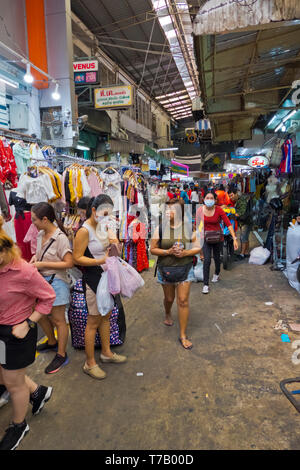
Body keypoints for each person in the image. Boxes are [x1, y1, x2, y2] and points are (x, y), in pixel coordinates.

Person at [0, 216, 55, 450]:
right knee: (6, 374)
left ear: (5, 249)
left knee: (13, 384)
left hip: (16, 334)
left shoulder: (24, 272)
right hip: (2, 330)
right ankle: (38, 392)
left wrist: (29, 323)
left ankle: (19, 425)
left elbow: (48, 297)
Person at [73, 195, 127, 380]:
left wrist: (114, 243)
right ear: (94, 210)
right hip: (94, 280)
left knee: (107, 316)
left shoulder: (104, 226)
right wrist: (100, 260)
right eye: (104, 213)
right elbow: (77, 258)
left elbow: (112, 250)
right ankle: (89, 363)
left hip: (107, 278)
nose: (107, 217)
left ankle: (106, 352)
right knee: (93, 321)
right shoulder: (84, 231)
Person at [150, 199, 201, 350]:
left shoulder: (188, 228)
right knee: (169, 298)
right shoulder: (160, 228)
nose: (167, 212)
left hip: (185, 268)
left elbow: (197, 247)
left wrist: (185, 252)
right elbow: (152, 249)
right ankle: (167, 313)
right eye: (166, 209)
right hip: (166, 269)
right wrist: (168, 252)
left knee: (183, 300)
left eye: (171, 209)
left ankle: (183, 335)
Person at [30, 203, 73, 374]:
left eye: (34, 220)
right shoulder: (41, 234)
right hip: (41, 280)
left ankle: (61, 354)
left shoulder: (60, 238)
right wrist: (35, 259)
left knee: (58, 319)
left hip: (57, 281)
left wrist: (41, 263)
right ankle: (52, 342)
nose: (32, 223)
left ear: (45, 219)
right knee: (37, 312)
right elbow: (39, 253)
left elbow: (69, 263)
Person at [197, 190, 238, 294]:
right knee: (207, 260)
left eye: (212, 198)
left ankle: (216, 274)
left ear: (215, 200)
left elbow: (228, 224)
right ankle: (205, 285)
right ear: (203, 199)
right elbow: (198, 226)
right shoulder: (199, 211)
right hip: (205, 238)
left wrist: (234, 238)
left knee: (216, 258)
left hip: (218, 238)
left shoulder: (219, 210)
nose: (209, 200)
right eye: (207, 198)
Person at [229, 191, 253, 260]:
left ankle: (242, 254)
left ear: (236, 194)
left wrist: (233, 213)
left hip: (246, 222)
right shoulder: (238, 200)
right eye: (229, 196)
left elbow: (241, 213)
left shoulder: (241, 201)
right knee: (245, 237)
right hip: (244, 222)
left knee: (243, 237)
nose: (231, 197)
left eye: (232, 195)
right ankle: (246, 252)